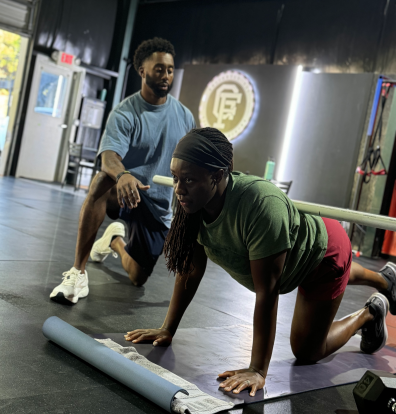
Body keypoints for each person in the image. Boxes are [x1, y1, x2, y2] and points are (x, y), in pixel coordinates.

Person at [125, 127, 396, 396]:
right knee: (324, 275)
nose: (179, 189)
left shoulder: (259, 205)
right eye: (175, 178)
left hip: (325, 255)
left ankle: (370, 312)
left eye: (188, 180)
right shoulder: (193, 205)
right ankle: (385, 279)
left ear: (218, 175)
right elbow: (191, 269)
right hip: (299, 255)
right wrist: (167, 328)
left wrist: (258, 369)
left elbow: (267, 291)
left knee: (307, 351)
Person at [50, 38, 196, 304]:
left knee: (138, 278)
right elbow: (108, 157)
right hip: (126, 190)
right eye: (159, 69)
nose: (166, 75)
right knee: (100, 182)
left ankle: (114, 240)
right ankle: (77, 273)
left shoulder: (185, 117)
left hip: (158, 204)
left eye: (170, 70)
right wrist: (123, 174)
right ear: (142, 71)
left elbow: (191, 163)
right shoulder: (125, 112)